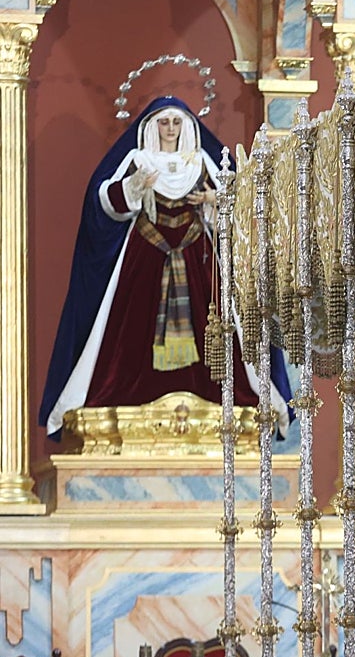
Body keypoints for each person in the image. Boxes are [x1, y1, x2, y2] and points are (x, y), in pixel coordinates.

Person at [40, 96, 289, 437]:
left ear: (186, 126)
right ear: (152, 126)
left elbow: (240, 204)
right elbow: (106, 200)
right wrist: (135, 187)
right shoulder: (138, 160)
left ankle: (219, 397)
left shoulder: (201, 161)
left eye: (176, 122)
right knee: (132, 324)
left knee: (214, 324)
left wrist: (214, 200)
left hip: (196, 251)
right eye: (163, 122)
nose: (170, 129)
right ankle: (131, 393)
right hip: (146, 251)